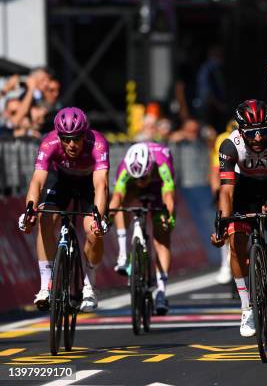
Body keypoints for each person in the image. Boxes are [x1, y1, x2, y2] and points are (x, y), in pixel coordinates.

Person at [210, 99, 267, 337]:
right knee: (236, 242)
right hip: (243, 188)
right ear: (240, 131)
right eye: (251, 133)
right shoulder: (230, 145)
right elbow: (226, 190)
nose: (258, 138)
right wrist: (222, 225)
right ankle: (246, 306)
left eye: (262, 131)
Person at [18, 107, 109, 312]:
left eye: (76, 138)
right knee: (44, 218)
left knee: (93, 230)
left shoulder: (98, 143)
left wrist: (98, 217)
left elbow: (101, 184)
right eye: (66, 139)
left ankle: (89, 284)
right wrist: (29, 210)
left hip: (88, 183)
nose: (71, 144)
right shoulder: (49, 143)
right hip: (61, 181)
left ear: (84, 135)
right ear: (59, 136)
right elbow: (37, 181)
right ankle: (45, 286)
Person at [110, 142, 176, 315]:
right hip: (131, 189)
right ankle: (124, 254)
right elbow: (117, 196)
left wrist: (168, 216)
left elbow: (168, 194)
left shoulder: (162, 162)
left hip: (157, 187)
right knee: (120, 206)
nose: (141, 182)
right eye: (137, 178)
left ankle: (161, 292)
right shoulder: (125, 168)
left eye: (143, 177)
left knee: (161, 236)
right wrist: (107, 217)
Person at [209, 119, 239, 284]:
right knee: (223, 219)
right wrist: (216, 192)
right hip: (228, 179)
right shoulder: (222, 140)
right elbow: (215, 169)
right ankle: (224, 265)